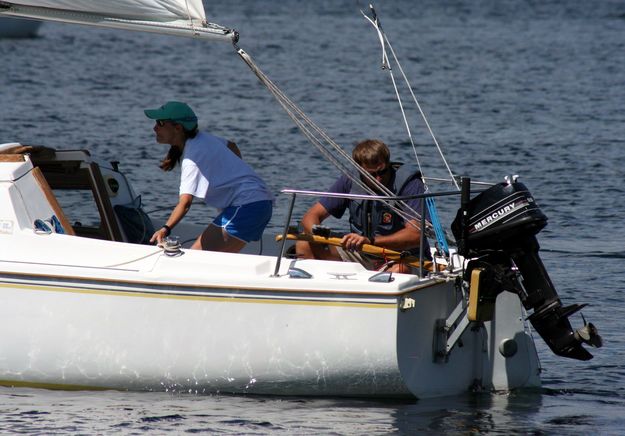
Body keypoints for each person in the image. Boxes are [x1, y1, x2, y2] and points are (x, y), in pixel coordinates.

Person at [145, 101, 273, 253]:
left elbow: (185, 203)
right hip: (258, 203)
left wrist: (165, 229)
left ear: (178, 128)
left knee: (197, 257)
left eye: (160, 123)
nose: (154, 128)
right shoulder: (202, 138)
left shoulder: (191, 157)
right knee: (212, 260)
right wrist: (233, 174)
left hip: (247, 206)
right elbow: (232, 145)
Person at [296, 139, 430, 272]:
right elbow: (311, 215)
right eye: (371, 174)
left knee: (400, 271)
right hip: (362, 253)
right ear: (360, 170)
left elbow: (415, 235)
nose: (378, 179)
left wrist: (370, 241)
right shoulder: (350, 180)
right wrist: (317, 232)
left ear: (388, 164)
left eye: (382, 172)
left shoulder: (410, 185)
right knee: (304, 244)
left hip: (400, 257)